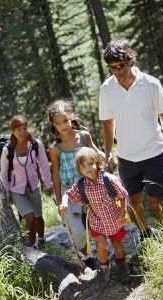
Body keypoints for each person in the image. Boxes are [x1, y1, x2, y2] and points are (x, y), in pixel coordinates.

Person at [99, 38, 163, 239]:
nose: (117, 72)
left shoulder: (151, 84)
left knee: (155, 204)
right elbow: (107, 123)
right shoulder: (107, 89)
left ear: (130, 60)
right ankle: (147, 238)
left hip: (154, 154)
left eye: (120, 66)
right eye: (112, 68)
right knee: (132, 205)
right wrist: (108, 154)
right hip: (126, 158)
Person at [59, 147, 130, 287]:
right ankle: (104, 268)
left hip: (114, 217)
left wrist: (123, 212)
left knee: (117, 244)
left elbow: (123, 195)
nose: (88, 168)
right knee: (100, 244)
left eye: (90, 164)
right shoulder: (81, 185)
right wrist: (64, 203)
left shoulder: (109, 179)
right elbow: (68, 193)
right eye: (83, 166)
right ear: (79, 169)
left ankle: (122, 265)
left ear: (98, 163)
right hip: (96, 219)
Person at [48, 100, 105, 270]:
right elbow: (56, 175)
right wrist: (59, 201)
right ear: (53, 124)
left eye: (65, 120)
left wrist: (106, 158)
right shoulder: (54, 148)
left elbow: (96, 155)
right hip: (68, 191)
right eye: (58, 123)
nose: (63, 125)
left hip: (89, 186)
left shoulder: (84, 136)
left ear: (71, 117)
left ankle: (102, 255)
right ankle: (87, 258)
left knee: (93, 224)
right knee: (78, 232)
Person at [0, 115, 53, 249]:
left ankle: (41, 239)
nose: (23, 133)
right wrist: (6, 193)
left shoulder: (35, 144)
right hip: (16, 189)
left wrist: (48, 184)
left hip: (34, 186)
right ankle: (32, 246)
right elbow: (4, 173)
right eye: (19, 130)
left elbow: (44, 165)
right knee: (29, 217)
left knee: (38, 216)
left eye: (24, 129)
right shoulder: (7, 150)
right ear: (13, 131)